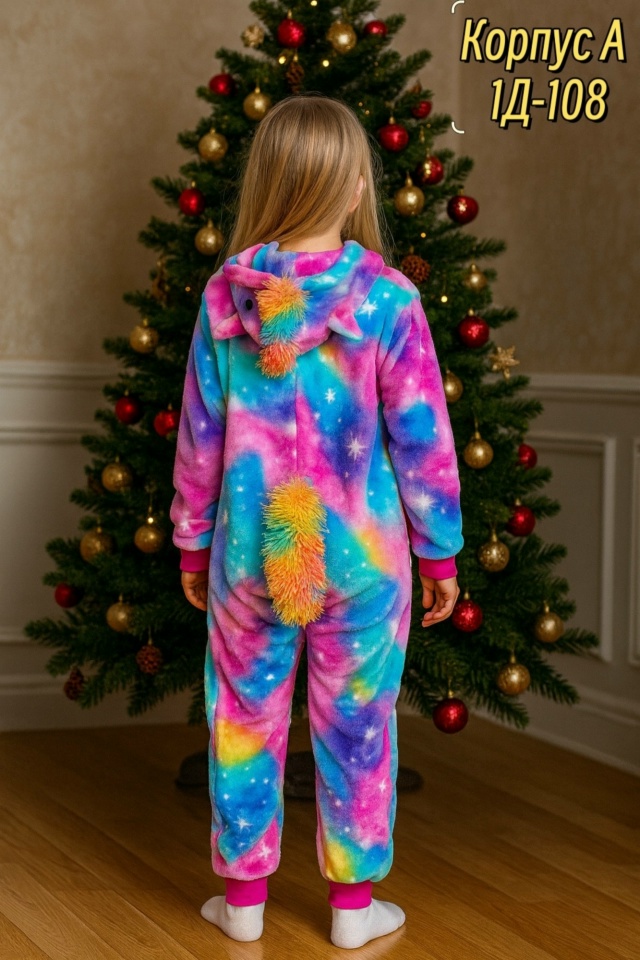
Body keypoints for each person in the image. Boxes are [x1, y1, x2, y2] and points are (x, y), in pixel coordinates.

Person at [170, 93, 463, 949]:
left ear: (267, 184)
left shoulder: (227, 299)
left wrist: (191, 541)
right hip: (361, 559)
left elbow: (200, 435)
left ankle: (243, 904)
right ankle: (352, 911)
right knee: (357, 727)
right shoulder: (388, 301)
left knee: (243, 721)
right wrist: (440, 554)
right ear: (354, 188)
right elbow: (423, 439)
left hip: (249, 554)